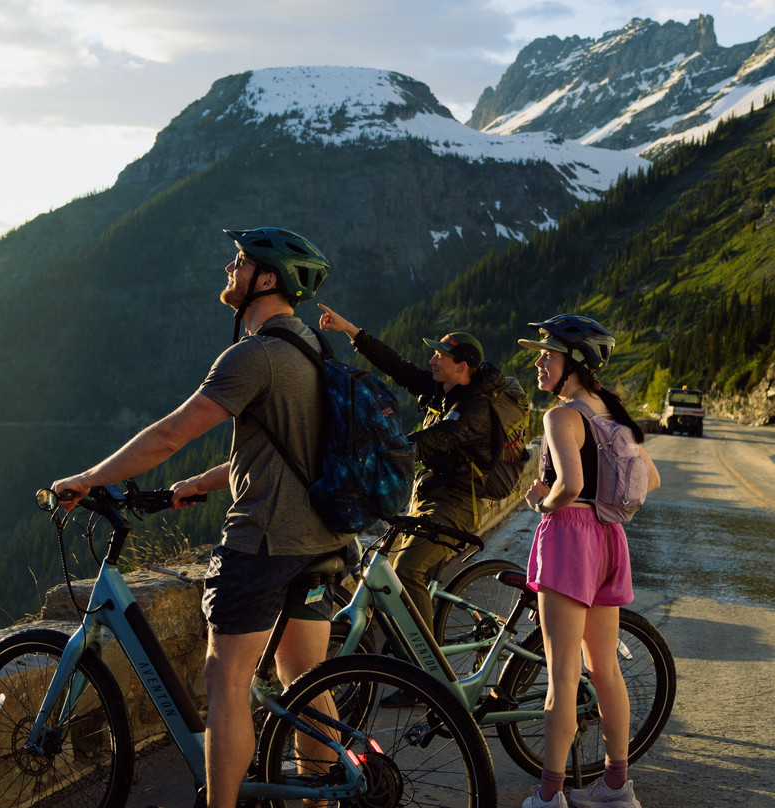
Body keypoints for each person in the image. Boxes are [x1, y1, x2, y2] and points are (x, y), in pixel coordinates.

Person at [52, 226, 352, 808]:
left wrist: (89, 479)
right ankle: (322, 798)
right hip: (321, 539)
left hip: (264, 541)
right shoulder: (314, 349)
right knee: (306, 680)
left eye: (238, 262)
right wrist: (205, 482)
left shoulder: (255, 354)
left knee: (227, 684)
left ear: (267, 279)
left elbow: (168, 435)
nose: (228, 269)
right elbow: (286, 449)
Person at [516, 314, 660, 808]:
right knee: (605, 672)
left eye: (547, 354)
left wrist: (543, 500)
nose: (539, 362)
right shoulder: (614, 415)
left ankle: (549, 796)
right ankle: (617, 789)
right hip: (609, 540)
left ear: (573, 362)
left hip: (571, 540)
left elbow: (570, 485)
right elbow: (651, 480)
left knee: (560, 679)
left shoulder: (561, 417)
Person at [317, 304, 499, 622]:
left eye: (441, 356)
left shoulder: (474, 410)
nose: (432, 360)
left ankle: (425, 667)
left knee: (407, 571)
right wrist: (351, 331)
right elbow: (398, 367)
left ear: (463, 367)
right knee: (379, 571)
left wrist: (372, 453)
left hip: (454, 506)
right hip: (425, 498)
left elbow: (430, 440)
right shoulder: (444, 391)